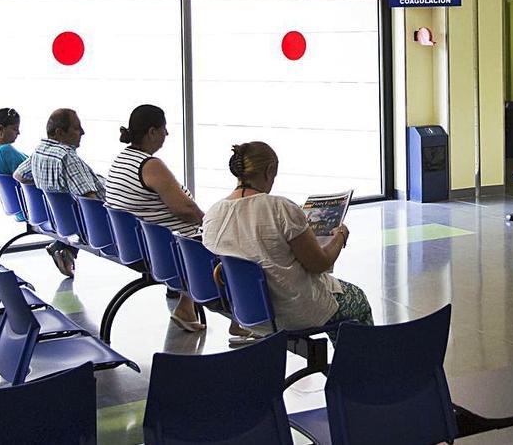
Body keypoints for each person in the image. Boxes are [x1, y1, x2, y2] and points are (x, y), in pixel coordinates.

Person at [202, 142, 373, 342]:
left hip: (246, 309)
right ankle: (360, 369)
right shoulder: (279, 208)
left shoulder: (213, 214)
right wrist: (340, 236)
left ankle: (346, 362)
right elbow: (320, 263)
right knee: (357, 300)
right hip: (291, 309)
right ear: (269, 171)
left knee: (337, 306)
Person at [105, 105, 206, 333]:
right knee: (230, 244)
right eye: (164, 129)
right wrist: (211, 223)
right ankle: (240, 322)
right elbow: (185, 209)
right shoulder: (150, 165)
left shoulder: (122, 159)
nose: (166, 135)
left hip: (133, 245)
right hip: (160, 250)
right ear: (151, 132)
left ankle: (186, 306)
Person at [13, 108, 106, 278]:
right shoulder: (66, 157)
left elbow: (18, 175)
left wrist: (48, 186)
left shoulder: (40, 150)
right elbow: (91, 201)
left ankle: (61, 247)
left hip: (61, 221)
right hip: (100, 223)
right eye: (77, 128)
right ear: (59, 132)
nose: (83, 133)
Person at [0, 108, 27, 176]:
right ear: (1, 129)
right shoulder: (4, 151)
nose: (18, 133)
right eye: (15, 129)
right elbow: (33, 168)